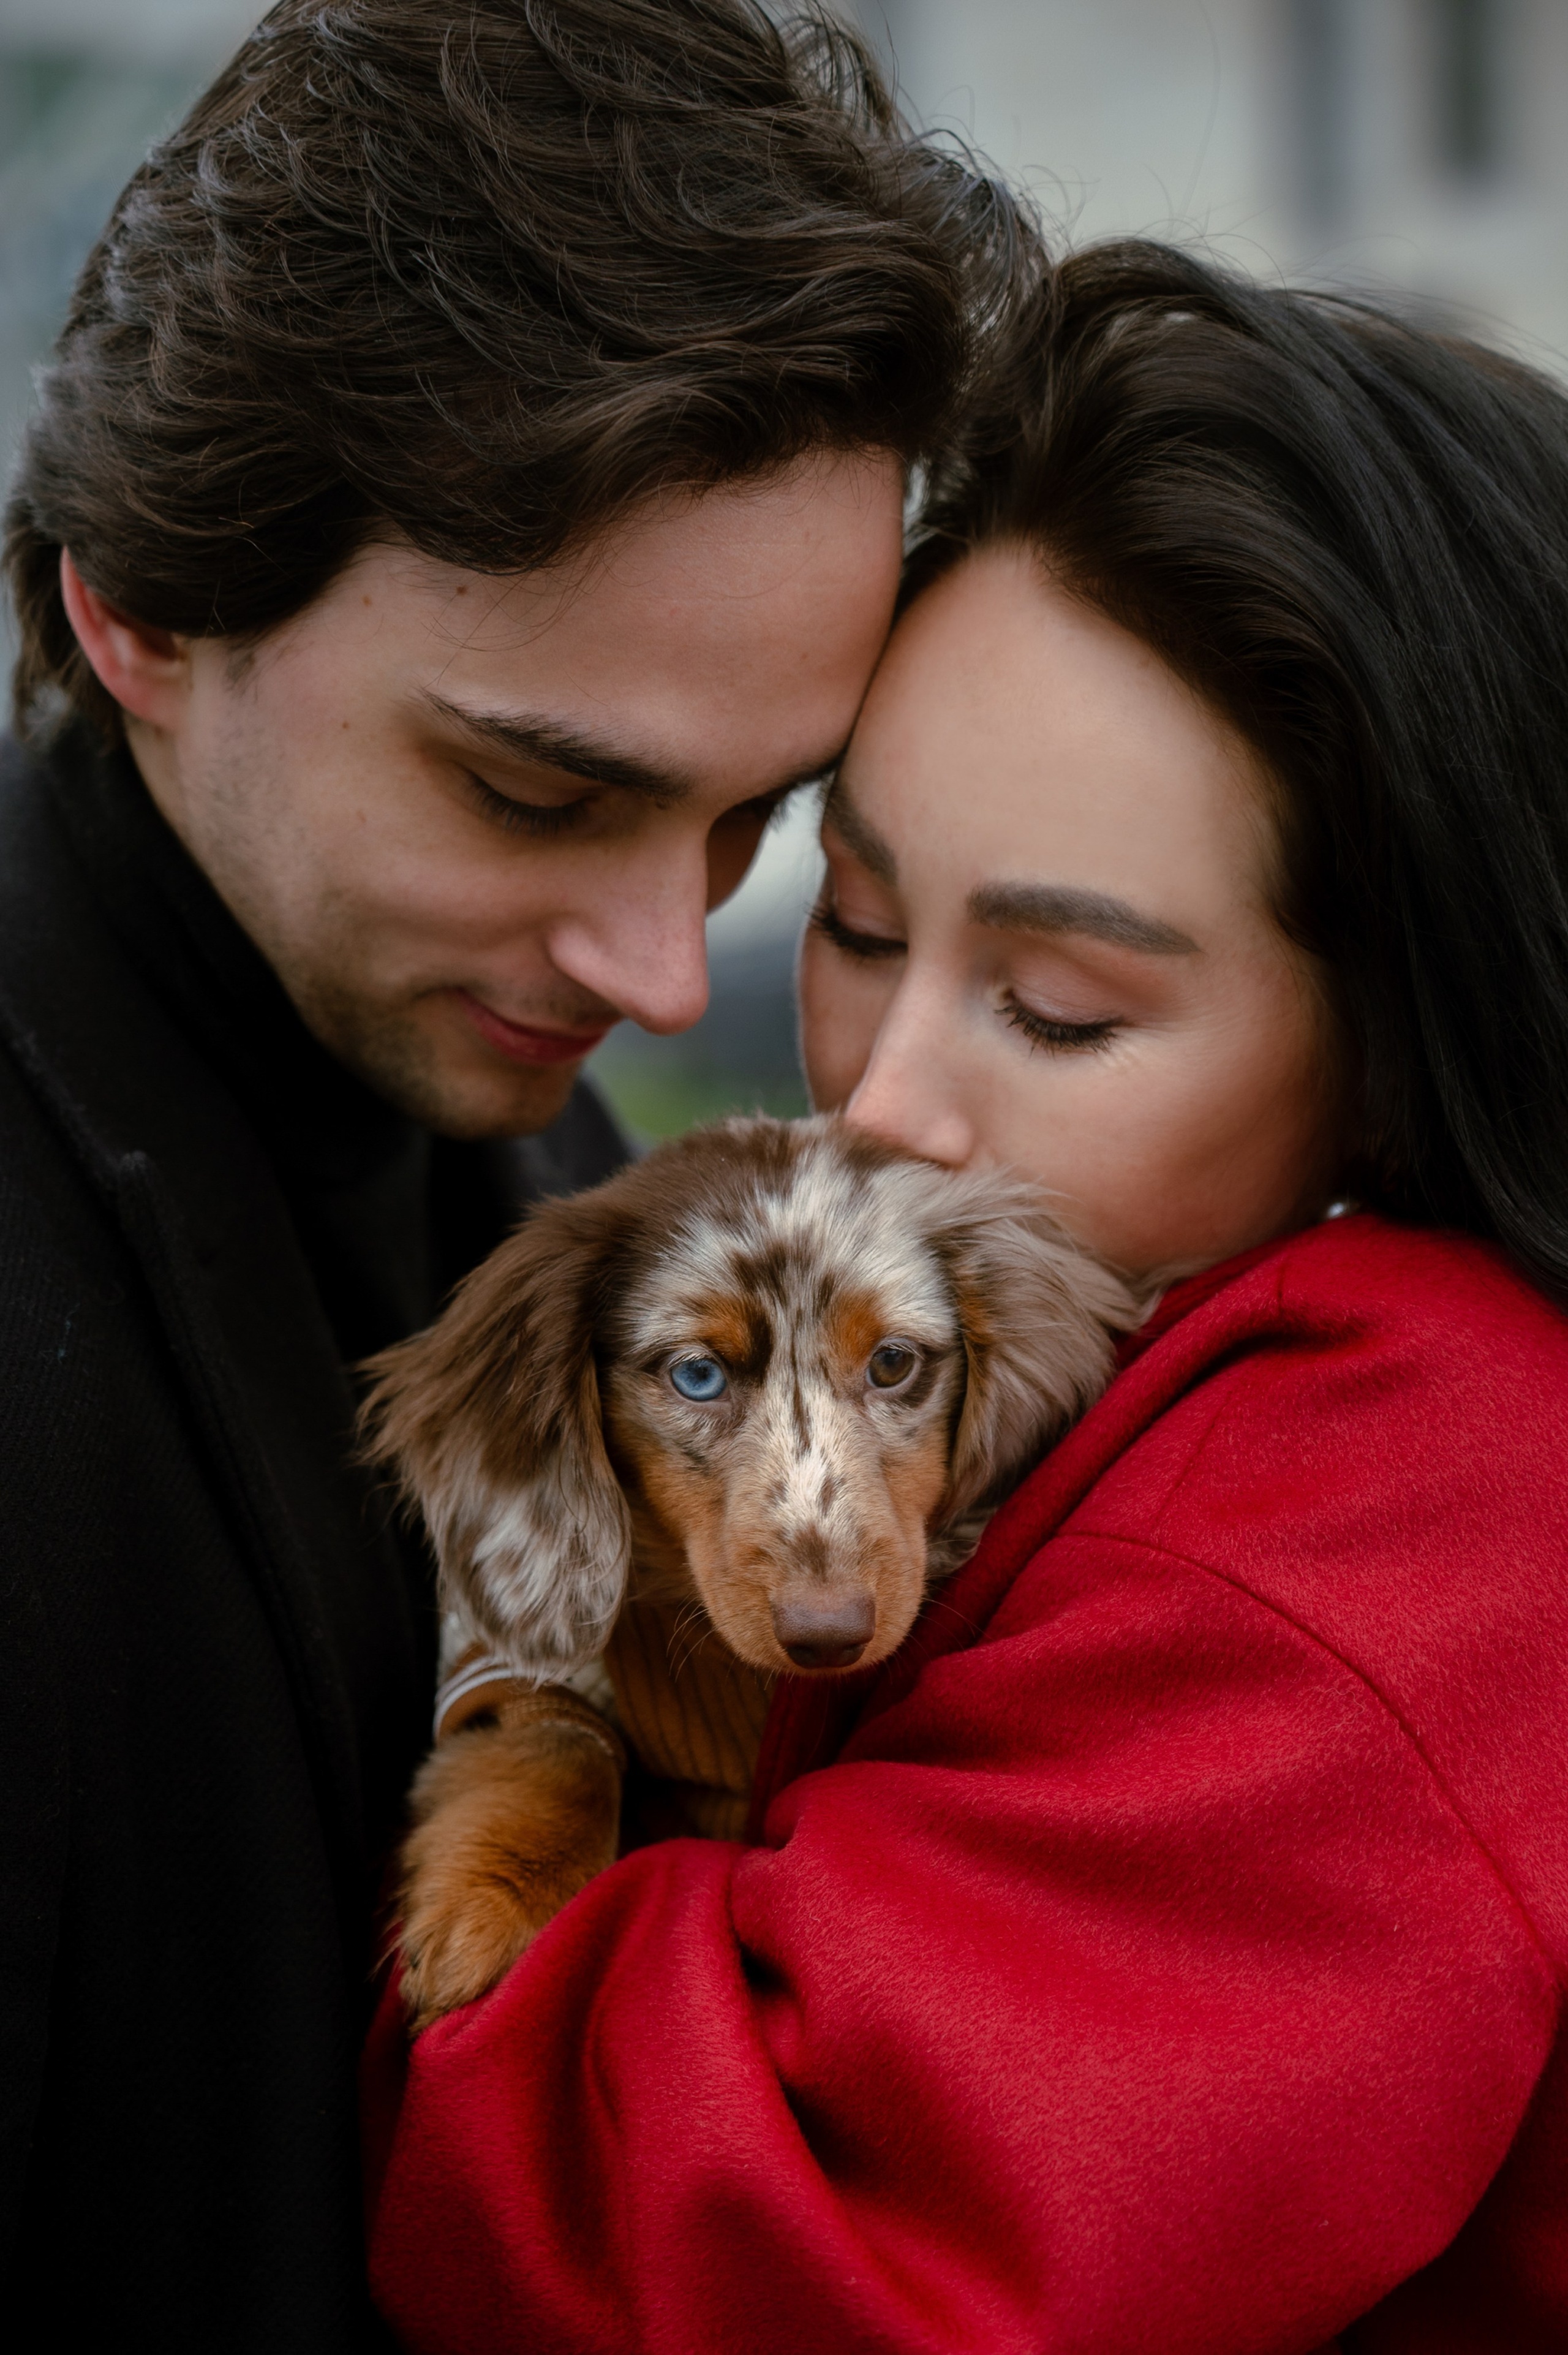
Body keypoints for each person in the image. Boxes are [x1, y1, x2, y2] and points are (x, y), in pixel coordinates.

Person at [366, 245, 1568, 2351]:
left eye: (1057, 1005)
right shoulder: (1106, 1348)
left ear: (1397, 1038)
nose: (888, 1105)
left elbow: (741, 2260)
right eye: (852, 914)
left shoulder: (1397, 1486)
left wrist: (501, 1903)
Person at [0, 4, 1028, 2343]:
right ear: (139, 606)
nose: (670, 970)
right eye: (539, 795)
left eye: (757, 815)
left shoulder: (514, 1126)